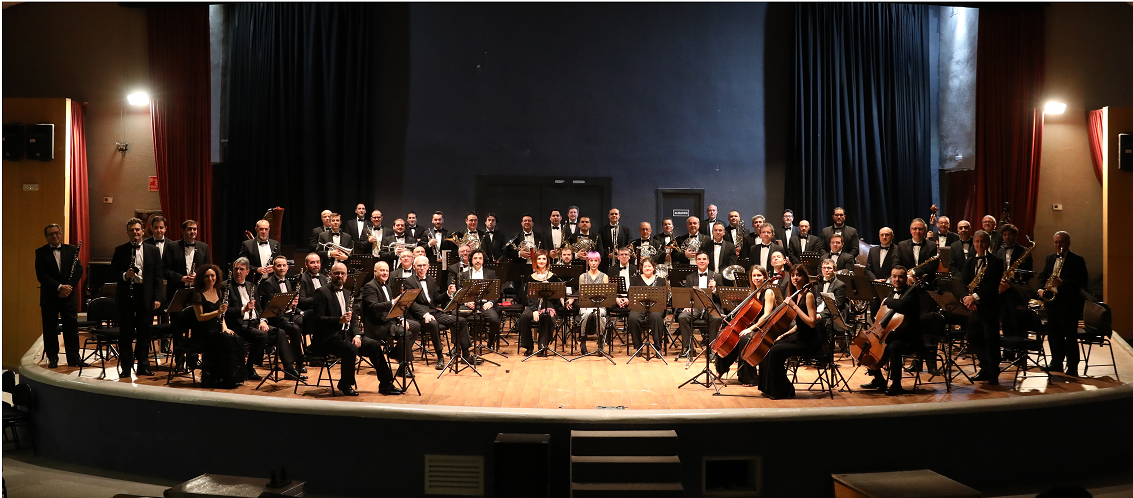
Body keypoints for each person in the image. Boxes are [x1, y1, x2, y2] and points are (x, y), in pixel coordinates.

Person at [307, 262, 401, 396]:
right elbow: (317, 320)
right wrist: (338, 320)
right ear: (330, 275)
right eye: (337, 273)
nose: (340, 276)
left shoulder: (347, 293)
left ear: (346, 276)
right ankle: (345, 384)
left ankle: (386, 385)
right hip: (327, 338)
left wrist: (357, 335)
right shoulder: (321, 293)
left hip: (347, 335)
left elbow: (354, 319)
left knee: (374, 345)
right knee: (350, 349)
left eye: (343, 273)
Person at [859, 265, 928, 395]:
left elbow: (900, 304)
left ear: (905, 278)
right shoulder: (892, 292)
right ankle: (879, 379)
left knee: (893, 347)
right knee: (867, 344)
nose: (897, 279)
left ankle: (896, 384)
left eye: (900, 277)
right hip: (893, 334)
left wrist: (885, 300)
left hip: (910, 338)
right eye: (894, 276)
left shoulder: (912, 292)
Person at [111, 218, 163, 377]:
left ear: (142, 231)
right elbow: (112, 273)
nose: (135, 232)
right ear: (127, 232)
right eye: (132, 230)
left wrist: (157, 298)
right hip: (126, 295)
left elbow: (158, 277)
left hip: (145, 295)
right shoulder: (120, 250)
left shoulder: (153, 250)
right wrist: (125, 275)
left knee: (144, 333)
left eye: (138, 230)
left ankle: (143, 366)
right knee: (125, 333)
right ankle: (126, 368)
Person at [758, 265, 819, 399]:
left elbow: (812, 322)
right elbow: (799, 325)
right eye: (792, 275)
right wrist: (785, 334)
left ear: (804, 277)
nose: (795, 278)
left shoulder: (808, 295)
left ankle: (784, 390)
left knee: (775, 352)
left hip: (808, 341)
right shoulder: (796, 294)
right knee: (771, 346)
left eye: (798, 275)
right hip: (799, 337)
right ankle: (768, 387)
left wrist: (794, 306)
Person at [403, 255, 472, 369]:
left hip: (433, 312)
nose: (421, 268)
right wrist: (425, 314)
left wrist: (448, 293)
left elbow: (436, 298)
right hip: (419, 315)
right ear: (414, 267)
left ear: (428, 267)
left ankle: (466, 354)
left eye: (424, 265)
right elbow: (411, 303)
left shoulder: (431, 280)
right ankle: (440, 357)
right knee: (434, 324)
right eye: (419, 266)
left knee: (461, 320)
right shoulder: (409, 282)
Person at [35, 224, 87, 368]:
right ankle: (53, 358)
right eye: (51, 234)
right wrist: (59, 287)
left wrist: (68, 287)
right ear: (46, 237)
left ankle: (74, 359)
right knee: (49, 328)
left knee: (71, 327)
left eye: (57, 233)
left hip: (68, 295)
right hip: (50, 296)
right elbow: (41, 275)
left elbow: (79, 269)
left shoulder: (70, 250)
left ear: (61, 233)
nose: (55, 236)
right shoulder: (40, 252)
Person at [1037, 231, 1088, 377]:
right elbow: (1042, 276)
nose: (1058, 245)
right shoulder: (1050, 258)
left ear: (1068, 243)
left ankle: (1072, 366)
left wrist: (1063, 283)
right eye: (1056, 242)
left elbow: (1082, 281)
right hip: (1052, 302)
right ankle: (1056, 362)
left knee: (1070, 336)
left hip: (1068, 303)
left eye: (1061, 242)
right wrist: (1040, 289)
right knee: (1053, 334)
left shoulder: (1077, 260)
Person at [715, 265, 776, 386]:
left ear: (765, 277)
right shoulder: (752, 292)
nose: (756, 278)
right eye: (754, 276)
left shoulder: (768, 292)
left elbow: (767, 315)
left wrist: (751, 328)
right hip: (753, 326)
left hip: (763, 328)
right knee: (729, 336)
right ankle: (720, 370)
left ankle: (749, 378)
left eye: (759, 275)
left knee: (744, 338)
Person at [360, 261, 421, 379]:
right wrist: (393, 302)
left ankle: (394, 353)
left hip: (389, 322)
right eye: (382, 270)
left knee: (415, 326)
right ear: (375, 272)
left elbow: (395, 308)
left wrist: (401, 319)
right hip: (377, 325)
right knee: (404, 332)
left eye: (387, 271)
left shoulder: (387, 287)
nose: (385, 273)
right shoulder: (370, 287)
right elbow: (374, 307)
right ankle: (403, 367)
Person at [188, 264, 245, 389]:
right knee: (227, 341)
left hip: (216, 330)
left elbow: (221, 317)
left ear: (217, 277)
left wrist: (225, 327)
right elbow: (200, 317)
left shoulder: (218, 291)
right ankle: (216, 377)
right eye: (207, 276)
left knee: (235, 338)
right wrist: (217, 312)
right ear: (202, 278)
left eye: (212, 276)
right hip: (202, 332)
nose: (210, 279)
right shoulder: (197, 294)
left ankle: (230, 377)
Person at [960, 230, 1005, 384]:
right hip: (972, 308)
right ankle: (984, 368)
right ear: (974, 243)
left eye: (983, 241)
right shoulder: (969, 261)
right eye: (977, 241)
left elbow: (992, 285)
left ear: (989, 243)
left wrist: (975, 297)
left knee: (990, 340)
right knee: (975, 338)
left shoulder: (997, 261)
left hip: (989, 307)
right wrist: (966, 299)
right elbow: (962, 282)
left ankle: (993, 372)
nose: (980, 244)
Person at [253, 254, 306, 378]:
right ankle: (298, 363)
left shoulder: (287, 282)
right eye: (279, 266)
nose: (282, 268)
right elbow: (271, 307)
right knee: (294, 329)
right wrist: (288, 305)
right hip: (275, 318)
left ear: (287, 267)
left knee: (303, 321)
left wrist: (296, 308)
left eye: (284, 265)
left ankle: (304, 357)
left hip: (286, 316)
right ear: (274, 268)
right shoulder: (268, 284)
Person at [675, 252, 723, 358]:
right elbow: (687, 295)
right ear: (696, 261)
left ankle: (711, 349)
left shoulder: (717, 276)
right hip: (695, 307)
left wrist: (714, 289)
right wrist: (687, 305)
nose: (702, 261)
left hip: (711, 306)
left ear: (708, 261)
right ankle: (688, 349)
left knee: (716, 318)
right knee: (682, 317)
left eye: (704, 259)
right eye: (699, 259)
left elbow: (722, 298)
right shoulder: (690, 277)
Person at [517, 250, 564, 356]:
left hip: (548, 303)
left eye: (544, 258)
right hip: (533, 304)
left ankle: (542, 346)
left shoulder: (554, 277)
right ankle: (528, 347)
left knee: (546, 316)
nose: (541, 261)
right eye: (539, 258)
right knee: (524, 317)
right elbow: (528, 297)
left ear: (547, 261)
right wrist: (534, 310)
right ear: (535, 261)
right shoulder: (530, 278)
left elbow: (557, 296)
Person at [457, 249, 502, 350]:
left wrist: (490, 302)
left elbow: (496, 291)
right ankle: (460, 344)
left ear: (483, 260)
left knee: (495, 320)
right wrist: (467, 301)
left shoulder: (491, 273)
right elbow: (461, 292)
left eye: (480, 258)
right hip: (470, 304)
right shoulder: (465, 274)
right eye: (475, 258)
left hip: (485, 304)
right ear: (471, 260)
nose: (478, 260)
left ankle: (491, 340)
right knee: (455, 316)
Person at [166, 219, 211, 303]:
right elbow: (165, 270)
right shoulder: (172, 247)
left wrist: (197, 276)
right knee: (177, 316)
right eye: (190, 229)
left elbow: (208, 268)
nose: (193, 231)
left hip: (198, 290)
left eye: (195, 229)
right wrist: (182, 278)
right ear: (183, 231)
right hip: (177, 290)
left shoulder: (204, 247)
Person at [627, 258, 668, 351]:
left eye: (649, 266)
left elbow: (664, 297)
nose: (647, 268)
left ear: (653, 268)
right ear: (642, 268)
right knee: (633, 318)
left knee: (656, 317)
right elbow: (630, 295)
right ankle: (638, 346)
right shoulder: (635, 280)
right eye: (645, 266)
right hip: (639, 308)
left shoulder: (660, 280)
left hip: (656, 308)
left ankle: (658, 346)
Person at [577, 251, 610, 355]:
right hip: (586, 305)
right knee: (586, 314)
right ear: (588, 262)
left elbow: (606, 295)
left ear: (599, 262)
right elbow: (582, 294)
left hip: (600, 304)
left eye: (595, 260)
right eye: (591, 260)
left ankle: (600, 342)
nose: (593, 263)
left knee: (599, 314)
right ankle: (583, 341)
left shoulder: (604, 276)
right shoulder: (583, 276)